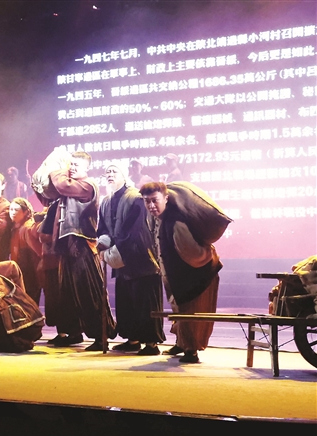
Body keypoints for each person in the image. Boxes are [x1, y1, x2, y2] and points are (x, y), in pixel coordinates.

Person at [33, 150, 116, 351]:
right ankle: (73, 332)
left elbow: (63, 185)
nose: (71, 168)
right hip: (66, 247)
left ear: (87, 168)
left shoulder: (87, 186)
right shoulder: (68, 188)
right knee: (68, 294)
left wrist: (55, 169)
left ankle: (101, 335)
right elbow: (48, 197)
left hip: (82, 245)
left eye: (76, 165)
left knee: (90, 292)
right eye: (70, 165)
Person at [140, 181, 222, 363]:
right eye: (147, 201)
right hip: (177, 275)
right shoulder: (157, 219)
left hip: (199, 274)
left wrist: (209, 253)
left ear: (166, 198)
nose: (151, 205)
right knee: (179, 309)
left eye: (155, 200)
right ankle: (182, 343)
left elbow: (192, 254)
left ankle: (191, 351)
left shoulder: (176, 223)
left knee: (192, 313)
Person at [98, 165, 165, 355]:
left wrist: (116, 250)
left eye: (114, 171)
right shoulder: (106, 201)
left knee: (145, 302)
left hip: (140, 256)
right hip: (120, 257)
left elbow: (134, 229)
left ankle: (151, 344)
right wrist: (103, 242)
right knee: (126, 301)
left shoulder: (136, 198)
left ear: (124, 175)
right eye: (107, 172)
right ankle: (133, 339)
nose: (110, 175)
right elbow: (103, 227)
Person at [7, 198, 42, 304]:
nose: (12, 212)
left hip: (29, 275)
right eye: (11, 209)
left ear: (25, 212)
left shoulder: (27, 228)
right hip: (22, 272)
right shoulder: (17, 227)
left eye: (16, 210)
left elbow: (37, 252)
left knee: (29, 304)